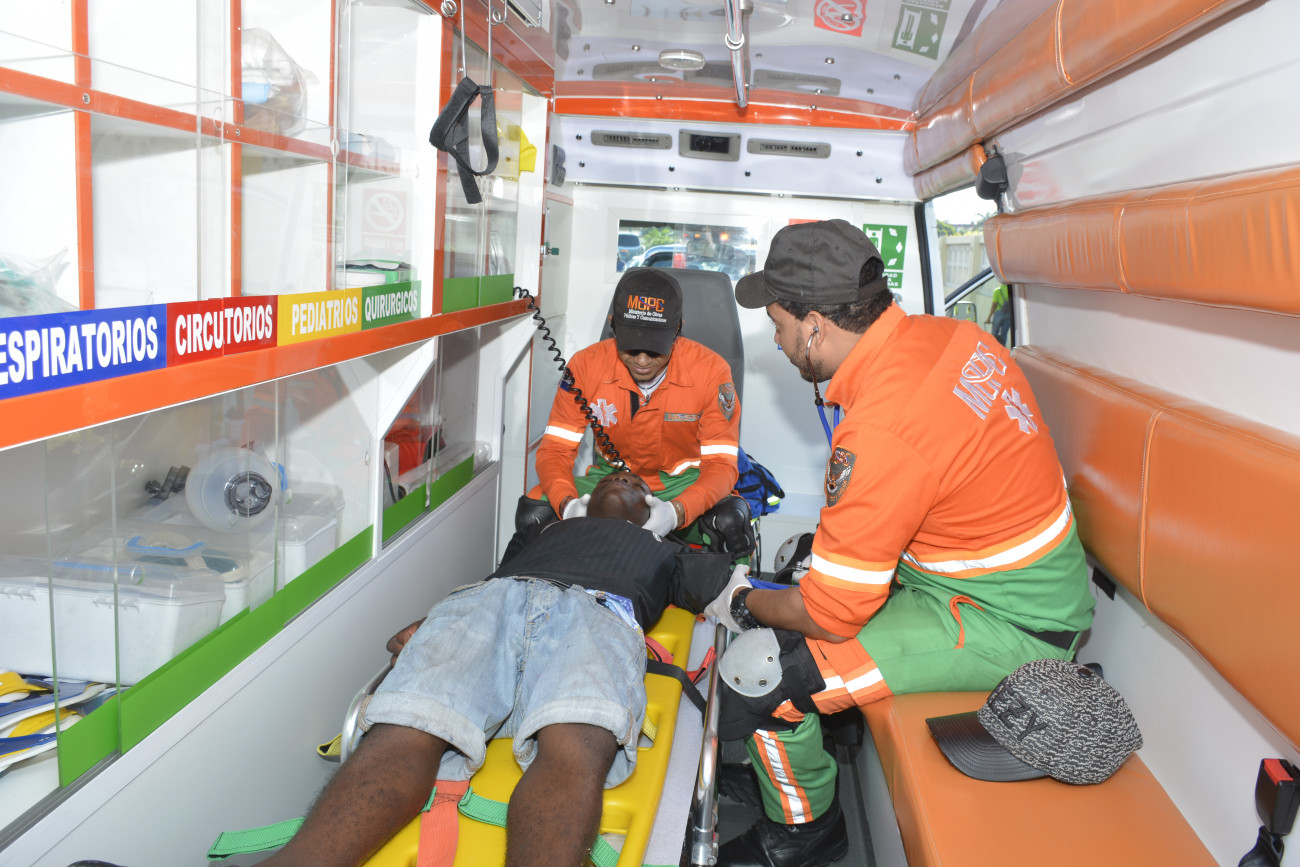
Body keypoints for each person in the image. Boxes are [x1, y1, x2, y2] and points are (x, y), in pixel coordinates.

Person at [711, 219, 1095, 867]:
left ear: (815, 326)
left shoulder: (883, 428)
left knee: (758, 672)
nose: (776, 341)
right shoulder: (954, 336)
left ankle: (804, 831)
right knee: (801, 567)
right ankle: (782, 769)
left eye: (778, 324)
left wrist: (742, 599)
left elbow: (830, 614)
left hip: (1005, 624)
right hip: (985, 582)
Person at [262, 471, 734, 867]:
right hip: (492, 603)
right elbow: (493, 581)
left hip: (596, 615)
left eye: (634, 482)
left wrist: (776, 615)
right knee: (406, 728)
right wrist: (430, 625)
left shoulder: (668, 548)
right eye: (612, 475)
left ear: (651, 508)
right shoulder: (543, 531)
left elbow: (738, 598)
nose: (622, 478)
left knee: (577, 743)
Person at [517, 267, 753, 556]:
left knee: (731, 522)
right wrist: (567, 505)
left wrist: (677, 511)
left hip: (683, 483)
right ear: (613, 325)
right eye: (631, 348)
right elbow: (555, 450)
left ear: (677, 328)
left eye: (654, 350)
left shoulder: (711, 371)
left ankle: (733, 584)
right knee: (535, 511)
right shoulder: (585, 366)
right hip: (611, 481)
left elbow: (721, 465)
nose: (642, 361)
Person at [985, 282, 1011, 346]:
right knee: (1004, 334)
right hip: (1009, 315)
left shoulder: (997, 291)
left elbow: (994, 305)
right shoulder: (1012, 291)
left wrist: (989, 318)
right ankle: (1002, 348)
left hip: (999, 313)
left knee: (994, 333)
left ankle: (993, 347)